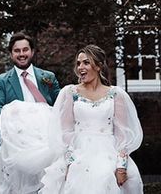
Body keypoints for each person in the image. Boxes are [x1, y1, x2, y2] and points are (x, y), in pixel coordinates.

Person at [39, 45, 143, 193]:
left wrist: (121, 166)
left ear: (99, 66)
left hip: (108, 153)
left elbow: (123, 134)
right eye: (78, 63)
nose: (81, 67)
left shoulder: (116, 94)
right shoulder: (70, 92)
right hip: (79, 153)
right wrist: (69, 163)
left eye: (86, 62)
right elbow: (65, 132)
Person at [0, 32, 61, 194]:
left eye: (25, 50)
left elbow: (62, 106)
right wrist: (20, 114)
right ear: (11, 54)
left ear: (32, 51)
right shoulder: (1, 80)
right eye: (17, 51)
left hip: (47, 146)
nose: (21, 54)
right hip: (16, 149)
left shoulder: (48, 77)